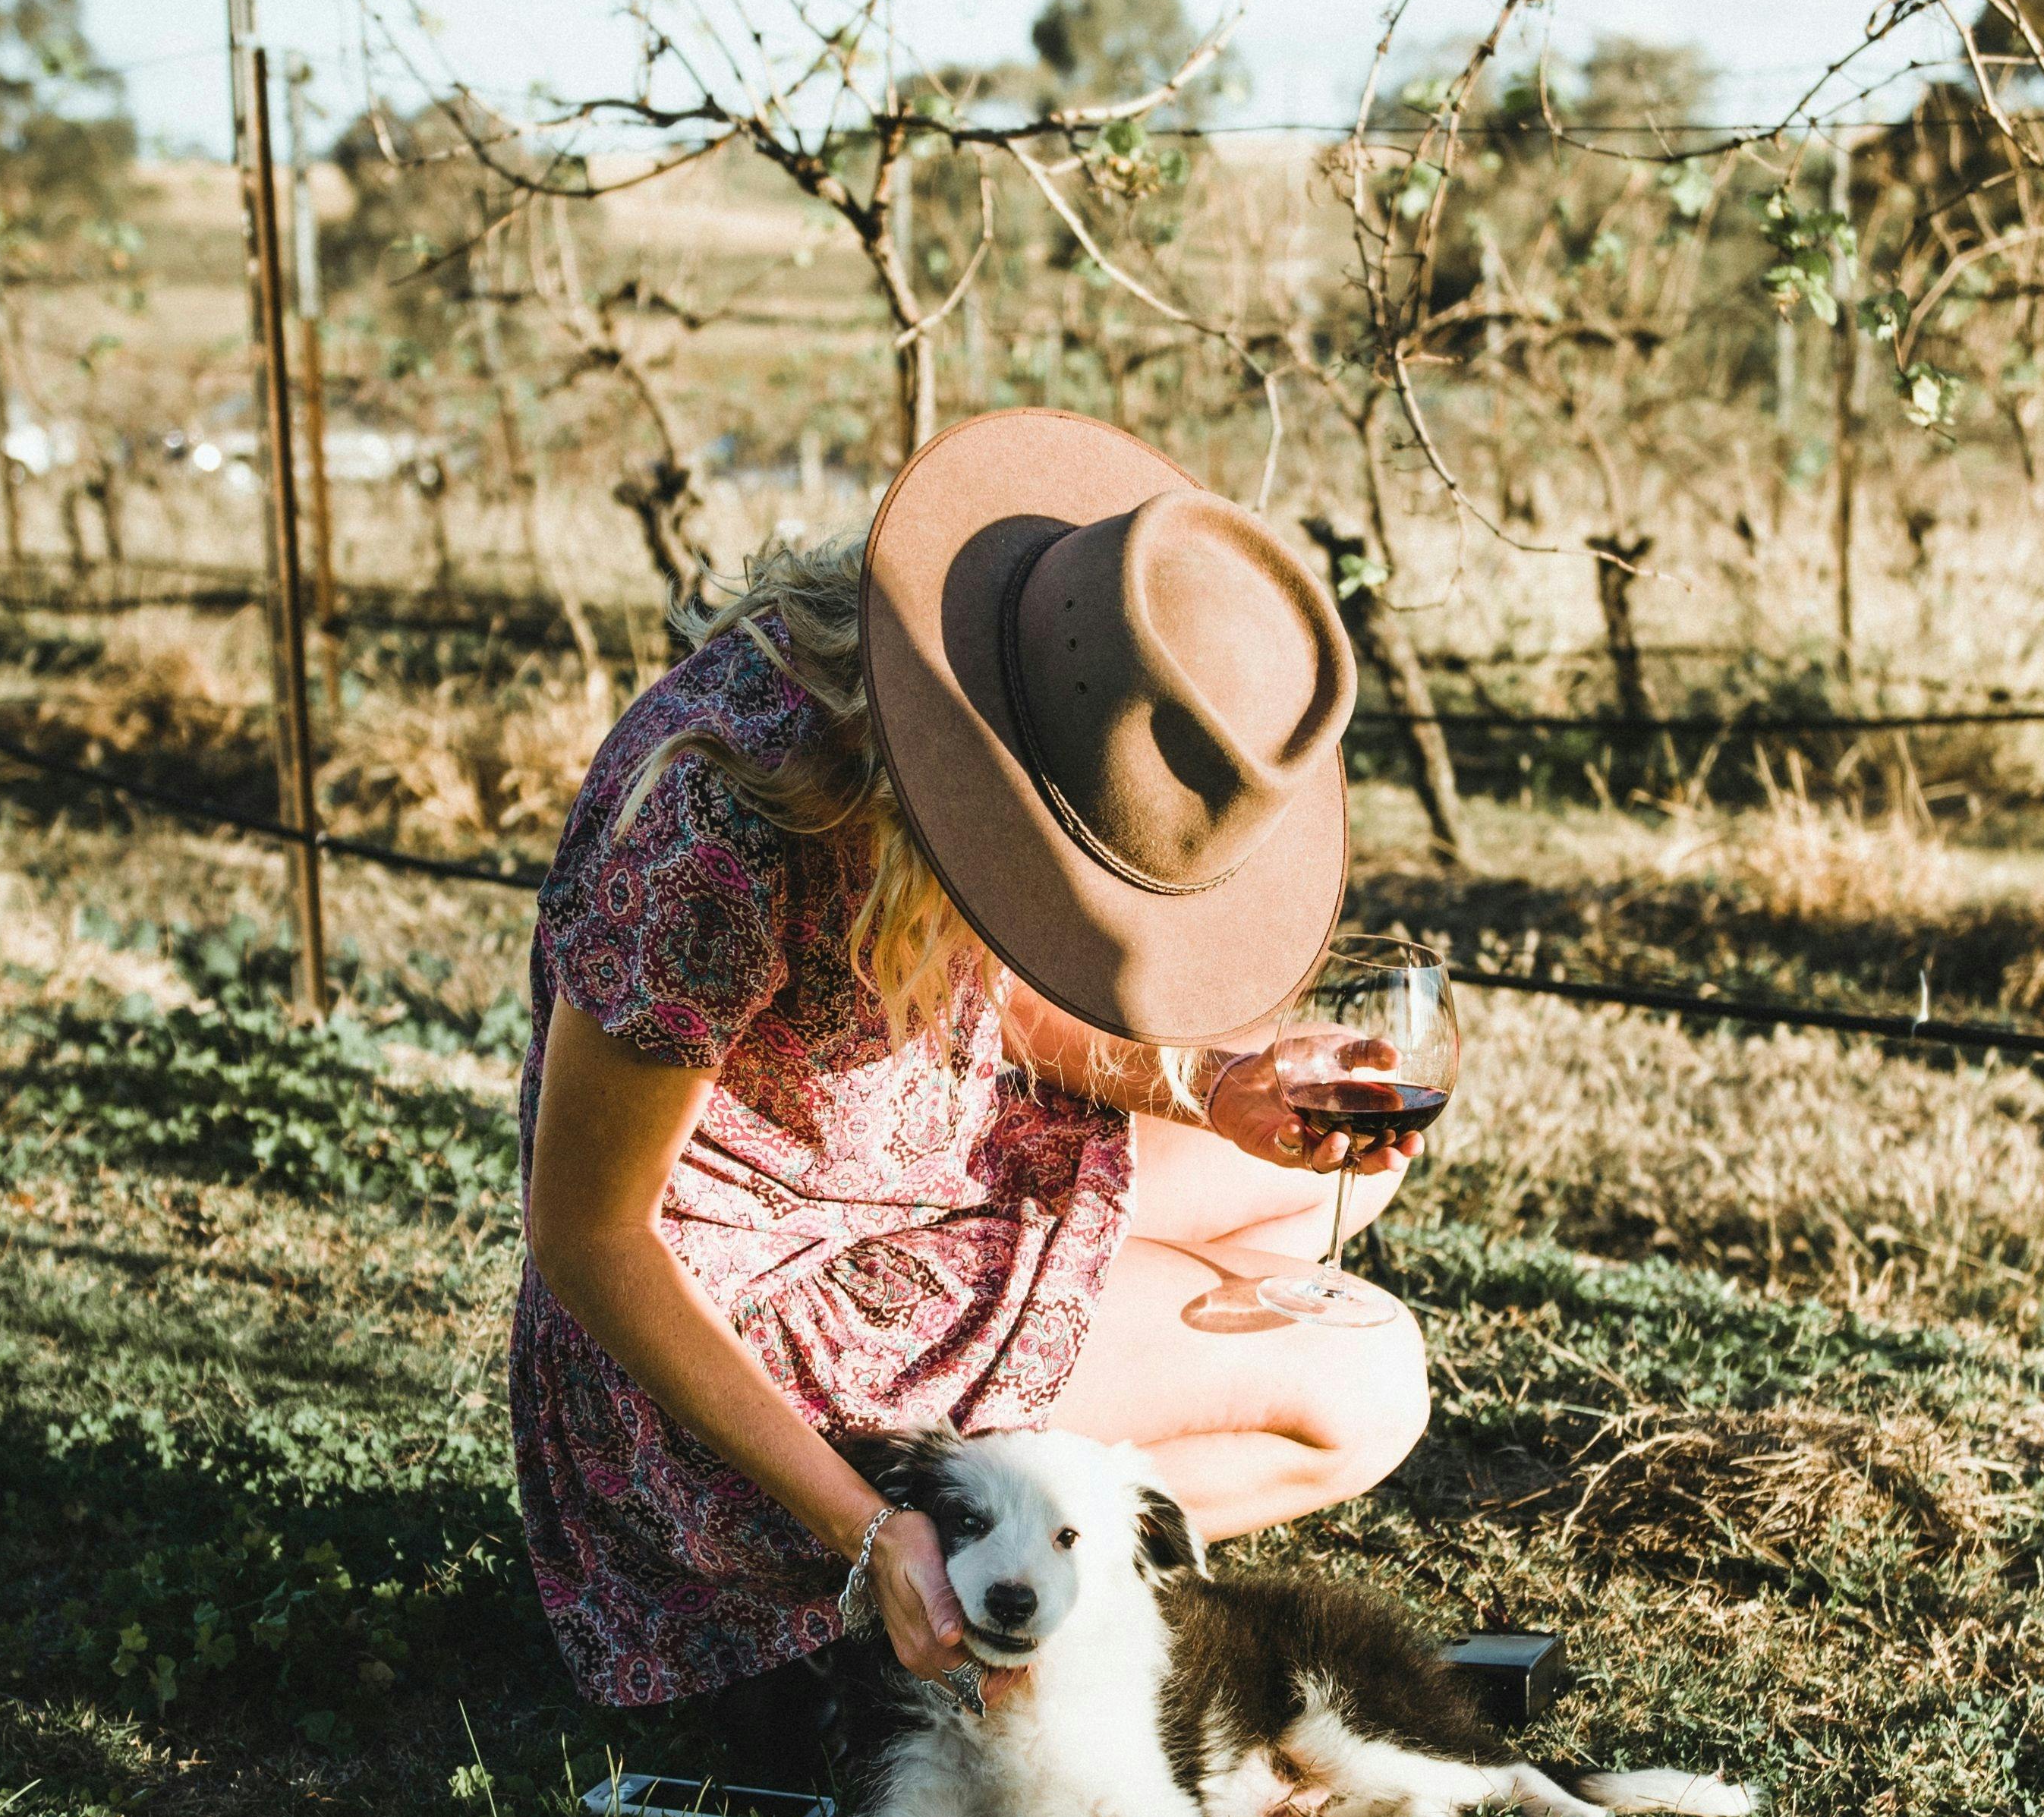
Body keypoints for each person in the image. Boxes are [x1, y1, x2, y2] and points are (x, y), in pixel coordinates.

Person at [514, 408, 1429, 1735]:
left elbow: (989, 984)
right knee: (1365, 1386)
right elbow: (590, 1239)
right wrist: (864, 1528)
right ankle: (958, 1587)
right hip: (743, 1324)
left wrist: (1213, 1087)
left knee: (1305, 1189)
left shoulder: (972, 728)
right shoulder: (712, 827)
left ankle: (1035, 1534)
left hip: (918, 1156)